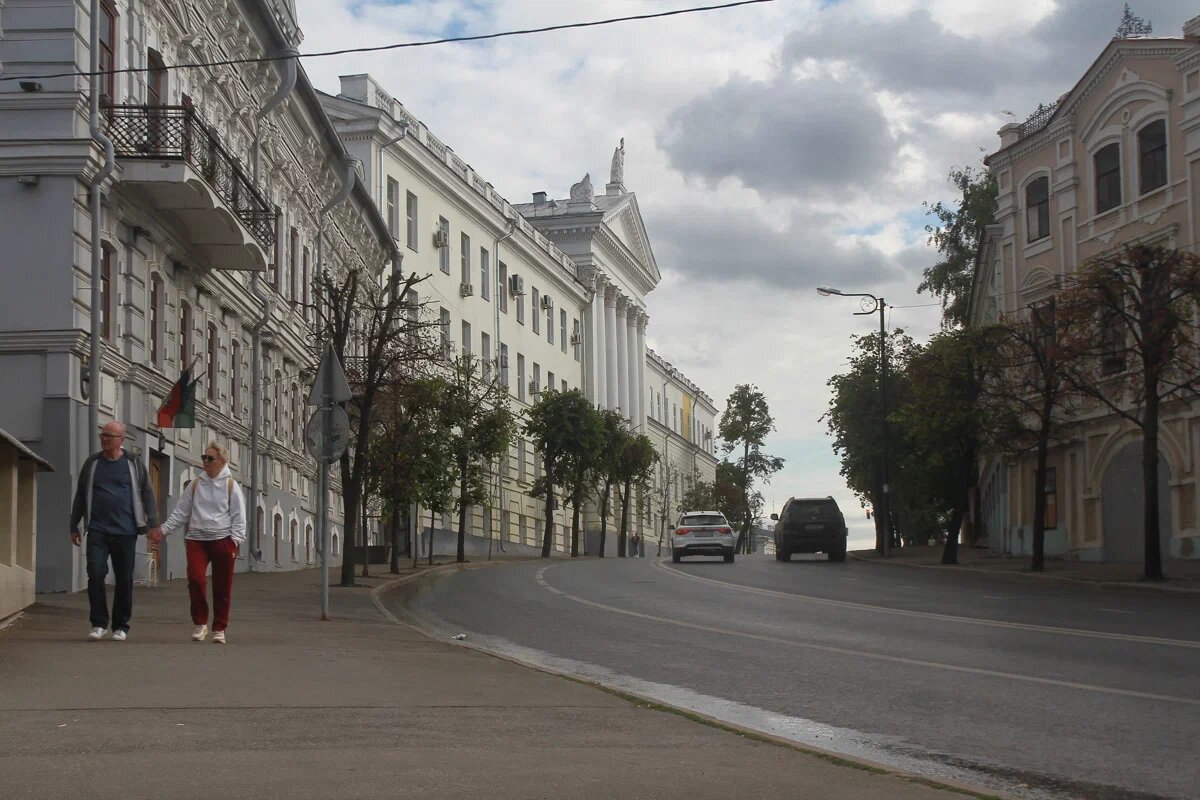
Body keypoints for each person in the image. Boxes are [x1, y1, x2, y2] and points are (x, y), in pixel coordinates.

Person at [70, 421, 162, 641]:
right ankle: (99, 623)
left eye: (109, 436)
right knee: (96, 572)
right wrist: (73, 524)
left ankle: (121, 625)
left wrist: (153, 524)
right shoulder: (92, 463)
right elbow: (81, 495)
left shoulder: (133, 463)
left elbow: (147, 493)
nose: (104, 439)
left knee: (123, 579)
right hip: (97, 530)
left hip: (126, 531)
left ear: (121, 439)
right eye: (103, 435)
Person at [161, 442, 246, 644]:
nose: (205, 462)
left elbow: (239, 516)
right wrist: (163, 530)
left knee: (222, 586)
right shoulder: (195, 484)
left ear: (222, 461)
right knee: (196, 580)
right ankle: (200, 624)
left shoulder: (231, 486)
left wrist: (234, 541)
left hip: (223, 540)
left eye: (210, 458)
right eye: (204, 458)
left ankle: (219, 628)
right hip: (197, 539)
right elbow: (181, 512)